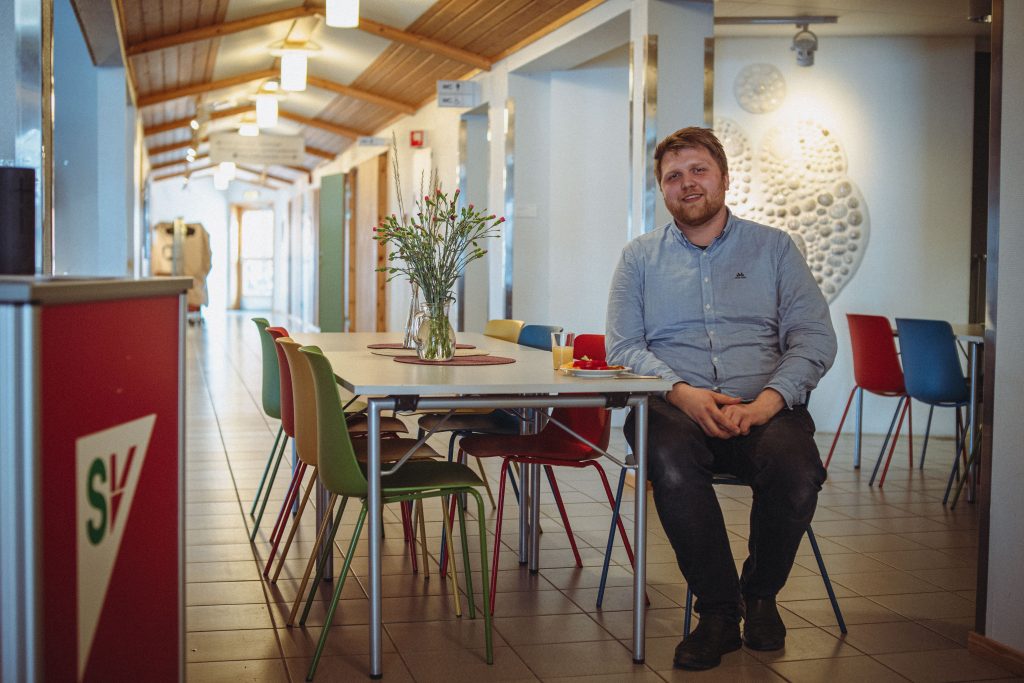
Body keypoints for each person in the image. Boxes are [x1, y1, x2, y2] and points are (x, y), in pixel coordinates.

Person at [606, 127, 837, 671]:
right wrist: (682, 393)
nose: (687, 183)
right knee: (670, 463)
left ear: (724, 178)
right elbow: (623, 346)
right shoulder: (639, 258)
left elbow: (813, 337)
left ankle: (759, 596)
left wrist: (768, 402)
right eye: (673, 176)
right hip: (671, 407)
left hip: (765, 407)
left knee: (797, 470)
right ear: (662, 189)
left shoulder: (775, 249)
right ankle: (717, 613)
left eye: (699, 170)